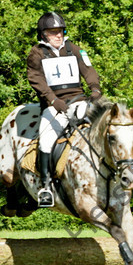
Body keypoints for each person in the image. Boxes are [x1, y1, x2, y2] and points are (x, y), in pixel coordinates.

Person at [27, 12, 102, 207]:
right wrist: (52, 100)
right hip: (54, 106)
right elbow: (36, 80)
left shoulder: (74, 49)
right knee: (46, 140)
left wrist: (94, 88)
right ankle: (45, 186)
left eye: (60, 31)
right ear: (43, 35)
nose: (58, 35)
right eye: (53, 32)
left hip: (79, 101)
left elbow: (88, 70)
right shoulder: (36, 53)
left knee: (108, 127)